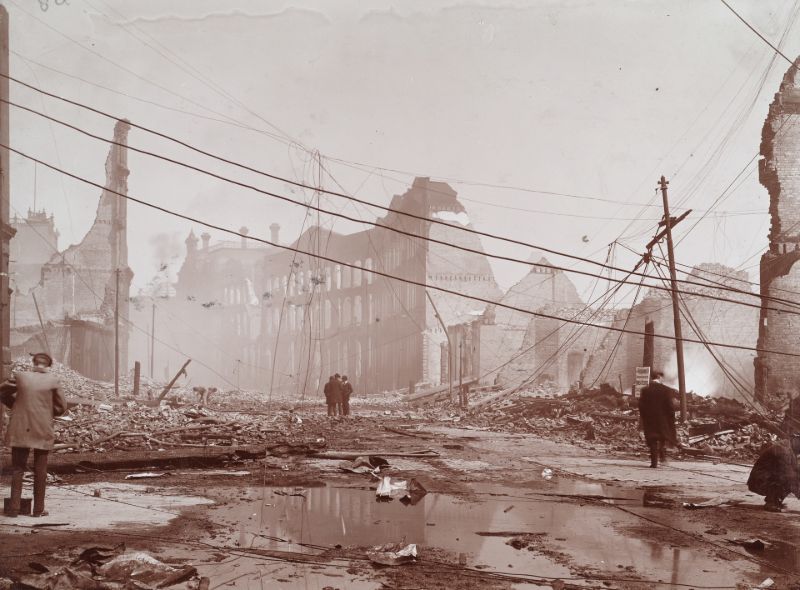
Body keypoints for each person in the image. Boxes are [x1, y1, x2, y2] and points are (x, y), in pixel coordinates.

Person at [2, 352, 67, 517]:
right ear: (48, 365)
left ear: (34, 363)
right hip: (42, 427)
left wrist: (16, 405)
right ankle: (38, 510)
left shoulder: (20, 376)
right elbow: (61, 407)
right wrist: (46, 412)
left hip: (20, 426)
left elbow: (1, 392)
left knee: (18, 468)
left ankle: (14, 509)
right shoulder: (53, 380)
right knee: (41, 470)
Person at [747, 435, 800, 512]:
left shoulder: (790, 448)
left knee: (792, 476)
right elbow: (789, 475)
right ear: (796, 439)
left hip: (768, 477)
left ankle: (776, 501)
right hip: (759, 480)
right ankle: (771, 503)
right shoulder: (783, 450)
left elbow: (796, 470)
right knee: (787, 478)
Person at [637, 371, 678, 468]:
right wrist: (671, 417)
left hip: (650, 420)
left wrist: (644, 417)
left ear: (651, 378)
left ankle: (654, 462)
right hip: (662, 419)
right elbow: (670, 406)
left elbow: (641, 406)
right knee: (662, 438)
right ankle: (663, 458)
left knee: (652, 440)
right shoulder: (666, 390)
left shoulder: (645, 390)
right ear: (659, 377)